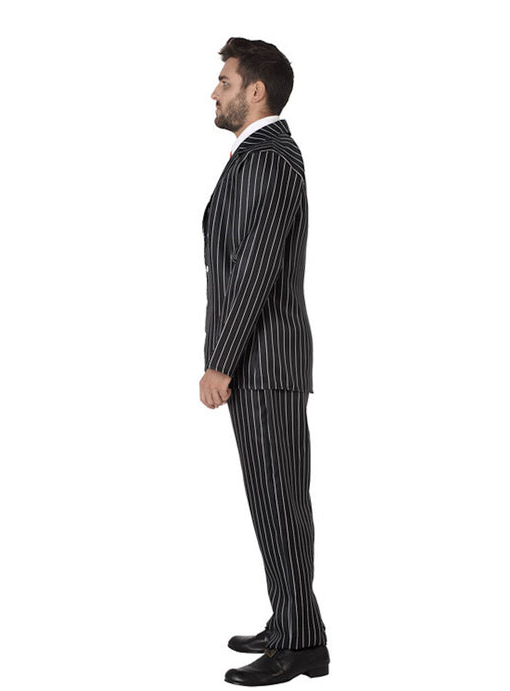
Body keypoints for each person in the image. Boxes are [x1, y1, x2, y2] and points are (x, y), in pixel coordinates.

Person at [199, 37, 330, 686]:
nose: (214, 91)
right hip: (260, 363)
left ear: (256, 91)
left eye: (224, 81)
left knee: (279, 504)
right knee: (275, 504)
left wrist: (220, 361)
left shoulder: (271, 159)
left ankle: (300, 645)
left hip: (262, 363)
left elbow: (255, 267)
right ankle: (292, 621)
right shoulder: (258, 156)